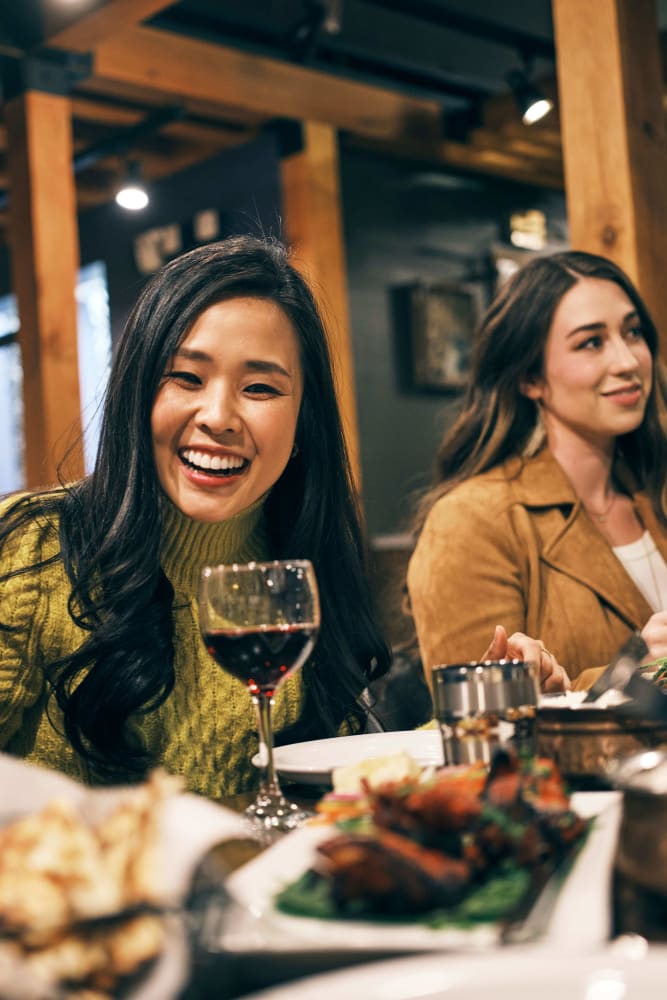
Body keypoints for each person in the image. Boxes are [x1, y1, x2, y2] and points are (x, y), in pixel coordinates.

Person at [0, 235, 397, 797]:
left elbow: (348, 788)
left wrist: (495, 718)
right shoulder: (35, 549)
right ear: (138, 391)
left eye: (260, 388)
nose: (219, 417)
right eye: (186, 378)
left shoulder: (300, 568)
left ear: (304, 419)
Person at [407, 250, 667, 693]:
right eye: (591, 342)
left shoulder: (654, 491)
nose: (627, 361)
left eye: (633, 332)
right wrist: (640, 671)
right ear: (530, 378)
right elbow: (480, 722)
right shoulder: (471, 520)